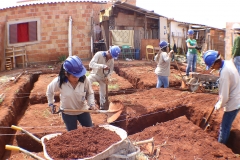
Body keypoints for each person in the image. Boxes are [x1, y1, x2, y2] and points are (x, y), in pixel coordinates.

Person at [46, 55, 96, 131]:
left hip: (83, 110)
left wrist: (91, 104)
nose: (77, 78)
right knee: (72, 135)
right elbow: (49, 90)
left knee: (90, 131)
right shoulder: (60, 82)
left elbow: (90, 93)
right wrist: (51, 104)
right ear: (66, 74)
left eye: (78, 75)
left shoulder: (84, 80)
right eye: (74, 76)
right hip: (67, 113)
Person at [203, 50, 240, 144]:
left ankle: (220, 146)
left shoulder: (224, 73)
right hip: (236, 94)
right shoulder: (227, 63)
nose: (212, 68)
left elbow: (225, 98)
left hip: (234, 102)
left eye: (212, 66)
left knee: (224, 127)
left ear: (217, 62)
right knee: (226, 125)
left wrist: (218, 105)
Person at [88, 46, 121, 110]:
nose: (111, 58)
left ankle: (102, 106)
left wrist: (108, 77)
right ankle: (89, 102)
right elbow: (91, 64)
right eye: (111, 56)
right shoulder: (98, 54)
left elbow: (111, 70)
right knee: (87, 81)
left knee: (103, 93)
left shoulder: (112, 59)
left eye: (113, 57)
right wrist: (102, 66)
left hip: (103, 77)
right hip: (94, 74)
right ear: (108, 51)